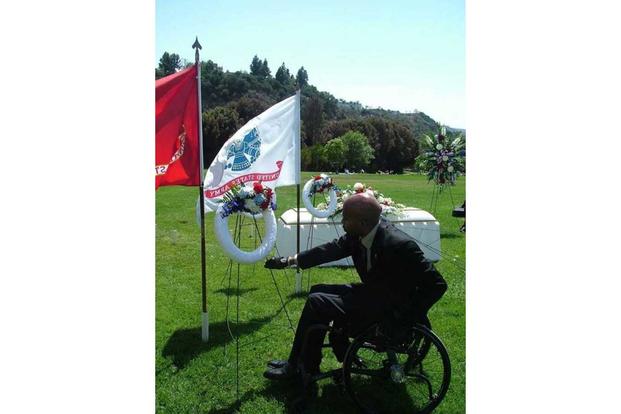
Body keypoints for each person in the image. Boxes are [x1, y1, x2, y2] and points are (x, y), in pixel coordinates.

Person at [262, 194, 447, 380]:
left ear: (363, 222)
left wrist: (403, 316)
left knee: (316, 302)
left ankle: (297, 366)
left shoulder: (399, 245)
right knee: (317, 290)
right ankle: (304, 363)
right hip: (374, 296)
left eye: (345, 218)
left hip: (388, 309)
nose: (341, 222)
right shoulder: (359, 234)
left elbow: (437, 284)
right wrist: (289, 261)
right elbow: (329, 250)